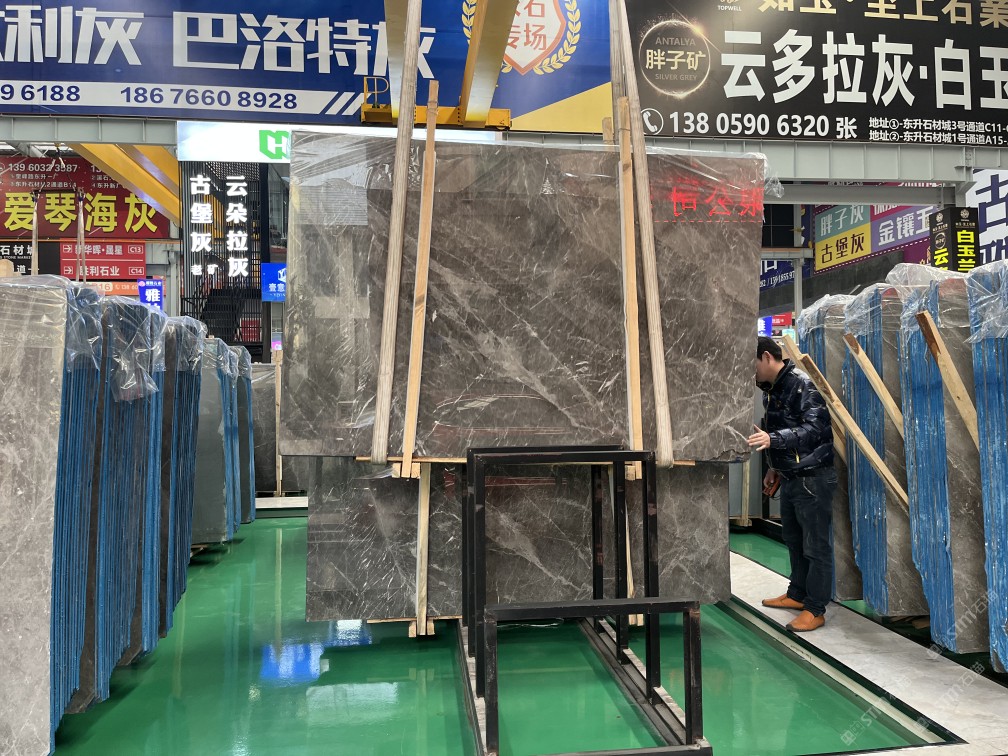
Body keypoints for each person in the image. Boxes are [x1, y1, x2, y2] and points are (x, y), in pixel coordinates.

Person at [748, 336, 837, 632]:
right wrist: (774, 468)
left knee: (816, 545)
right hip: (791, 476)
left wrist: (773, 439)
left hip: (813, 477)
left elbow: (816, 428)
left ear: (767, 357)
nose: (751, 373)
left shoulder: (802, 385)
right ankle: (797, 595)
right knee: (794, 540)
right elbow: (784, 429)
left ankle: (815, 609)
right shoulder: (772, 390)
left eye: (752, 365)